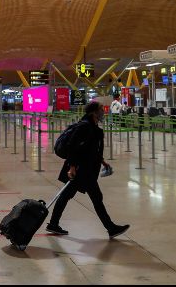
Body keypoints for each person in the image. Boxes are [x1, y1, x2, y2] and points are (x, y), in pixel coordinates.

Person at [46, 101, 130, 239]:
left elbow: (90, 149)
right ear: (93, 112)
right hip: (80, 170)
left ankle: (53, 224)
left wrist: (102, 161)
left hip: (85, 169)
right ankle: (111, 228)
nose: (103, 111)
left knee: (68, 196)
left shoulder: (92, 126)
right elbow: (72, 145)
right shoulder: (84, 127)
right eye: (101, 109)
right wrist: (72, 167)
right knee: (95, 198)